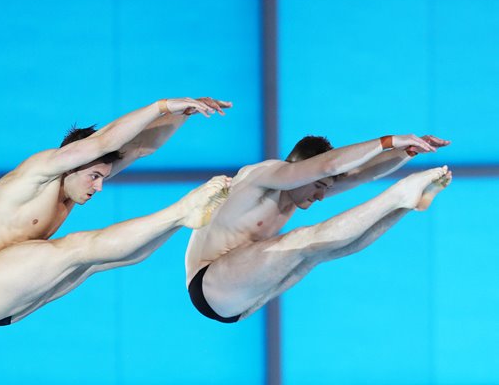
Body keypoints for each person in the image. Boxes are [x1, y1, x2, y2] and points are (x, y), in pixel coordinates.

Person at [0, 97, 232, 326]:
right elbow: (104, 142)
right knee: (78, 247)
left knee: (99, 261)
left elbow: (138, 147)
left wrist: (185, 112)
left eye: (102, 178)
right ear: (73, 161)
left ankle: (180, 221)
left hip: (11, 301)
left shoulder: (73, 183)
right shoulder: (38, 172)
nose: (99, 187)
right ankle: (183, 211)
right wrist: (162, 106)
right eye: (95, 176)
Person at [185, 134, 451, 323]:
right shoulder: (266, 175)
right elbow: (330, 164)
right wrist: (388, 141)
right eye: (318, 187)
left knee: (322, 251)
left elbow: (361, 174)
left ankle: (404, 206)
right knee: (303, 240)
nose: (321, 197)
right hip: (209, 283)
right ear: (301, 170)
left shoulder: (295, 192)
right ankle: (400, 194)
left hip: (240, 299)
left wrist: (407, 152)